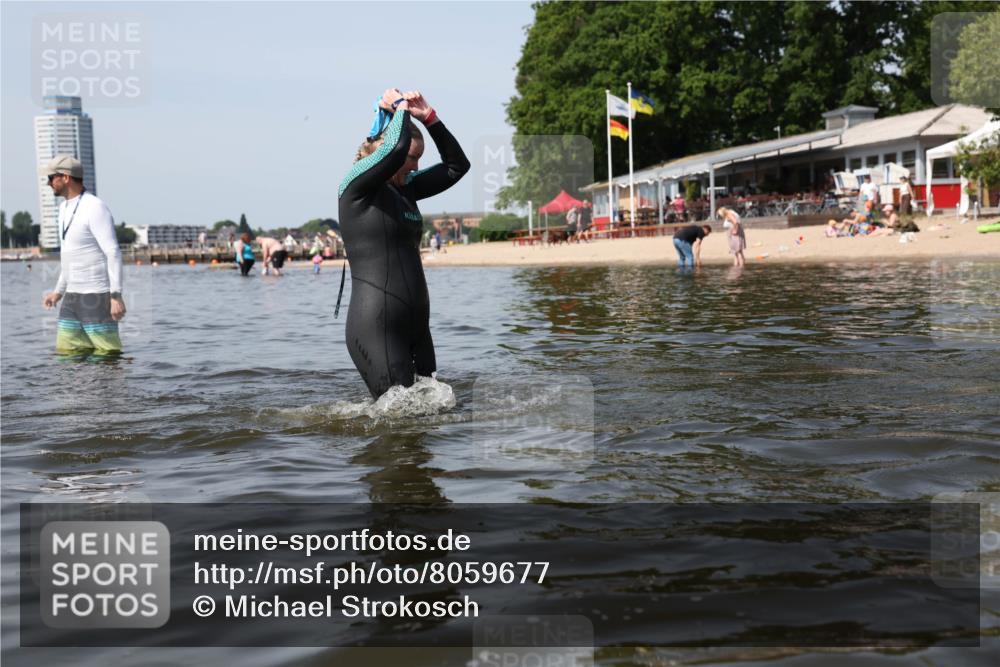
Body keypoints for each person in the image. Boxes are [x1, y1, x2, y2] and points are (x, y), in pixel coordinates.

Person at [338, 88, 469, 398]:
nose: (415, 167)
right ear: (382, 152)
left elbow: (457, 166)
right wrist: (399, 109)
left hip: (417, 329)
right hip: (376, 326)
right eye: (412, 158)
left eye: (419, 159)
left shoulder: (406, 189)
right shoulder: (356, 188)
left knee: (429, 414)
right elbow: (395, 150)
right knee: (397, 426)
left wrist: (431, 119)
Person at [39, 155, 125, 356]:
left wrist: (116, 295)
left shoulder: (95, 207)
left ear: (66, 177)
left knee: (108, 358)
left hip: (96, 296)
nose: (48, 183)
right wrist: (58, 292)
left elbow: (112, 251)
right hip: (71, 299)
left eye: (51, 177)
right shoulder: (63, 209)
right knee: (67, 358)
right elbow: (70, 255)